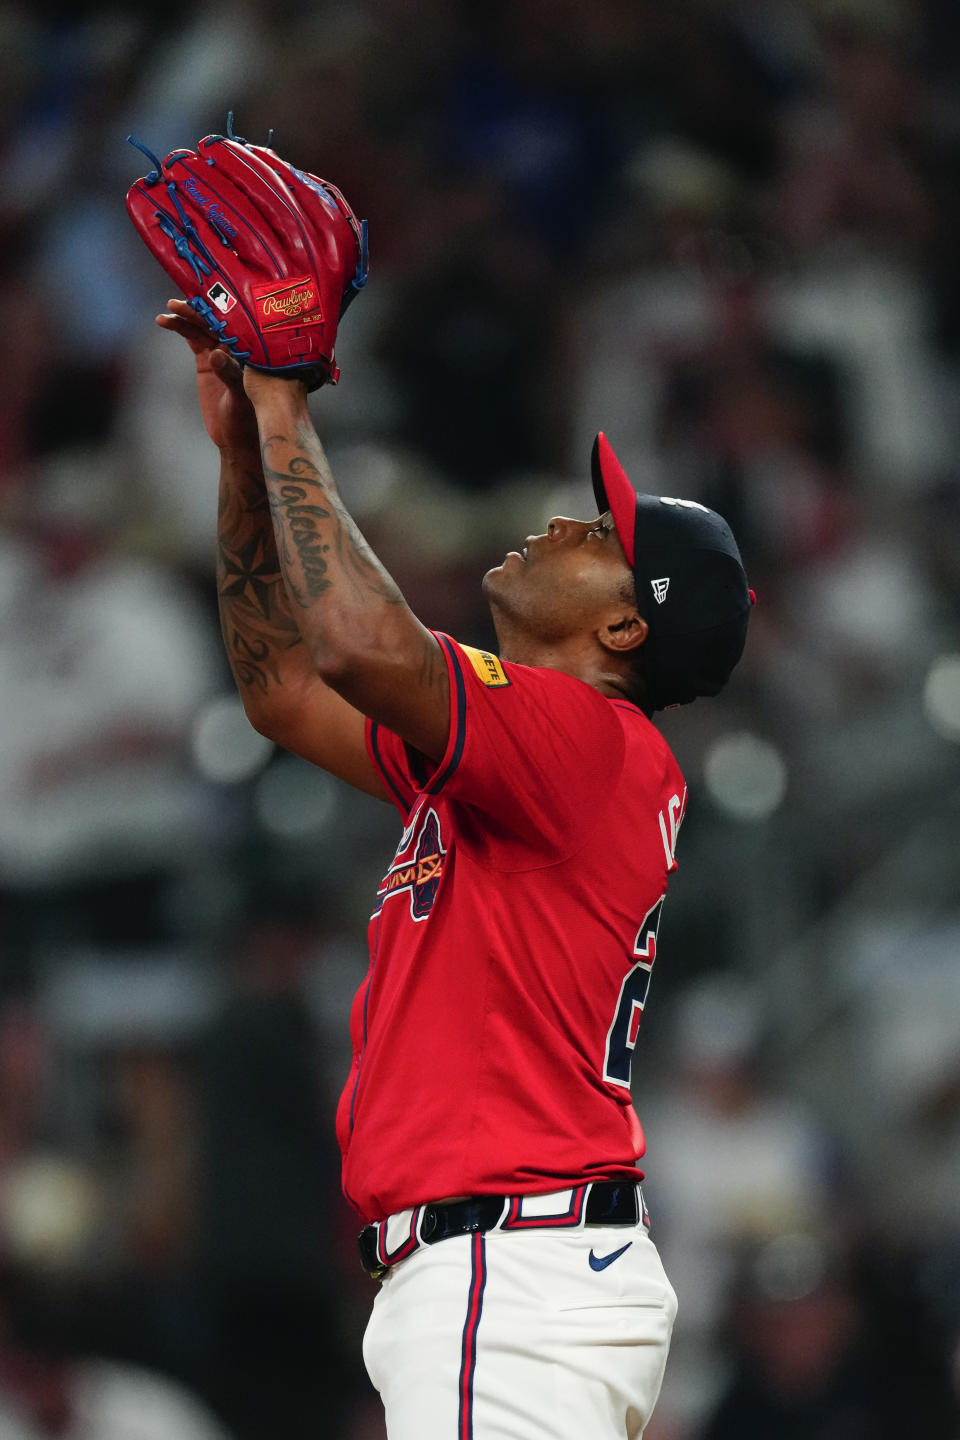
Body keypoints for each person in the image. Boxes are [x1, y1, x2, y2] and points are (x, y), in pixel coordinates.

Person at [156, 295, 753, 1440]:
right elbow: (283, 689)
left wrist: (285, 402)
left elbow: (355, 644)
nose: (568, 528)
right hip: (513, 1266)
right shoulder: (522, 766)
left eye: (604, 540)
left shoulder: (584, 743)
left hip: (513, 1265)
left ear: (626, 632)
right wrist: (240, 450)